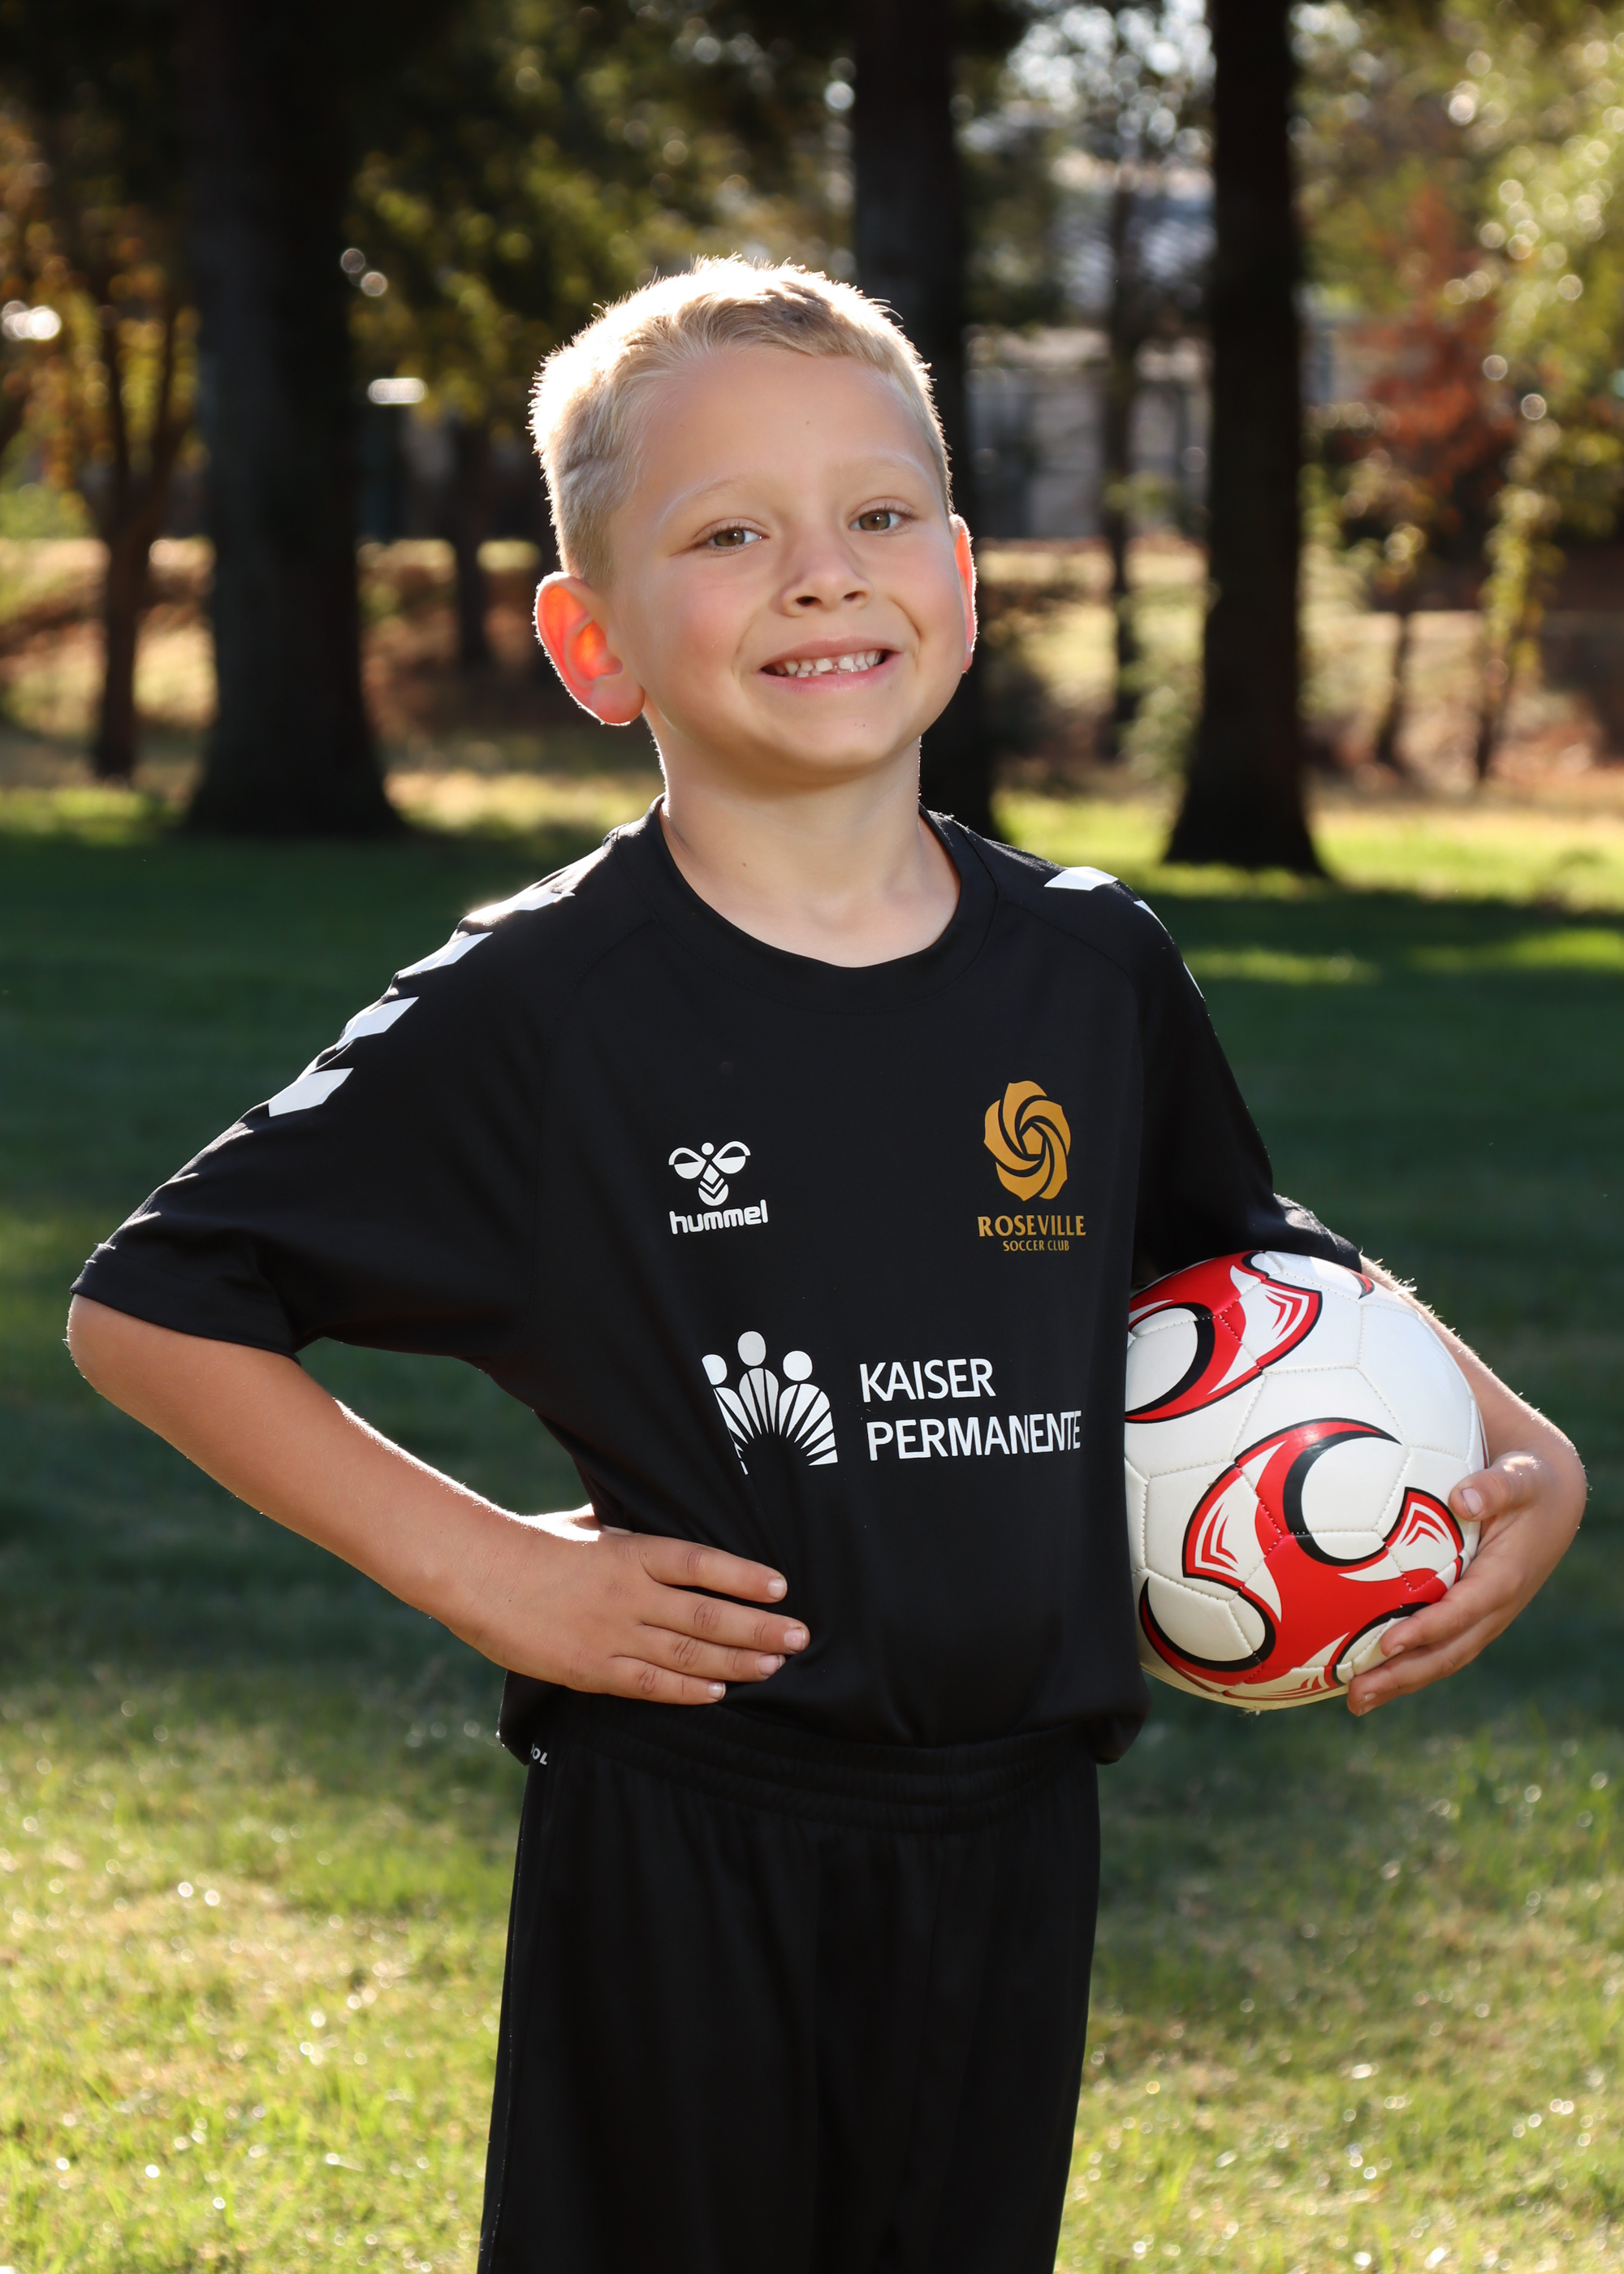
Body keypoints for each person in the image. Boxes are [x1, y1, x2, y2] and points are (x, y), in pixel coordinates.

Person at [67, 261, 1587, 2274]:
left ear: (958, 577)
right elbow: (154, 1304)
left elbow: (1252, 1251)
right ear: (593, 643)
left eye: (877, 513)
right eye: (728, 534)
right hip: (687, 1826)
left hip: (1020, 1828)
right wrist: (490, 1570)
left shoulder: (1090, 965)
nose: (820, 574)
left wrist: (1524, 1450)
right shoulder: (547, 1004)